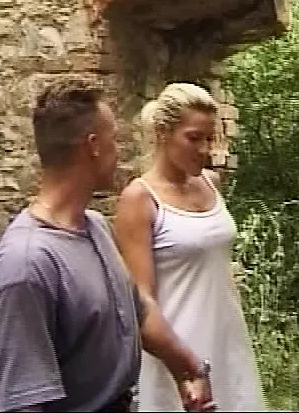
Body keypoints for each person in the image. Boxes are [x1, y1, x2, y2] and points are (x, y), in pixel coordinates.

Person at [0, 79, 215, 412]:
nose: (119, 154)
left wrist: (189, 368)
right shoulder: (26, 262)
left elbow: (137, 310)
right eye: (114, 140)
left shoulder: (94, 226)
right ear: (93, 146)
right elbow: (25, 403)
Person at [114, 82, 266, 412]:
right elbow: (141, 302)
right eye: (194, 138)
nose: (205, 149)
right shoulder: (139, 199)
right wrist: (184, 367)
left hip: (228, 343)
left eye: (210, 138)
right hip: (178, 356)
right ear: (163, 133)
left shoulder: (211, 183)